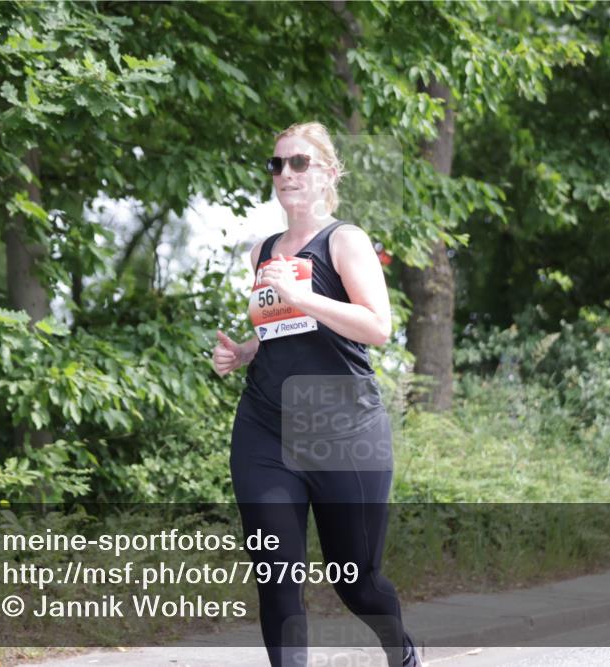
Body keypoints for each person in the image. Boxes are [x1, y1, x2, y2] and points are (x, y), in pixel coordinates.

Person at [213, 121, 424, 667]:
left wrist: (304, 296)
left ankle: (400, 651)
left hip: (344, 429)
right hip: (265, 427)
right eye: (277, 164)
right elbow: (279, 330)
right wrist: (243, 350)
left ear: (328, 172)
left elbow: (377, 327)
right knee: (276, 576)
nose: (285, 173)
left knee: (356, 579)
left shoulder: (344, 240)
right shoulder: (263, 250)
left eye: (299, 162)